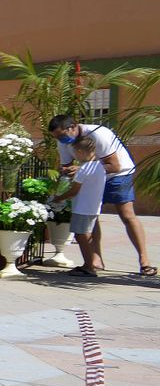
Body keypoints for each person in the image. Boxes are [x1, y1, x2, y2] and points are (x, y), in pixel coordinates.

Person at [47, 113, 154, 276]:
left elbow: (114, 166)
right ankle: (95, 261)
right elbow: (66, 166)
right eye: (57, 137)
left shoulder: (99, 134)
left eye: (62, 135)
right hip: (91, 176)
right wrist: (67, 172)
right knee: (91, 215)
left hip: (118, 175)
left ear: (73, 127)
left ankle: (144, 262)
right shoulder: (63, 143)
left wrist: (84, 170)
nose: (61, 140)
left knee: (127, 215)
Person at [51, 135, 107, 277]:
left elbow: (74, 190)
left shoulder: (83, 169)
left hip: (82, 207)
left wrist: (59, 198)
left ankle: (89, 266)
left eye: (76, 152)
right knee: (86, 234)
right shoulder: (99, 167)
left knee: (82, 236)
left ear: (81, 152)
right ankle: (90, 263)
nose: (75, 155)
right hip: (94, 207)